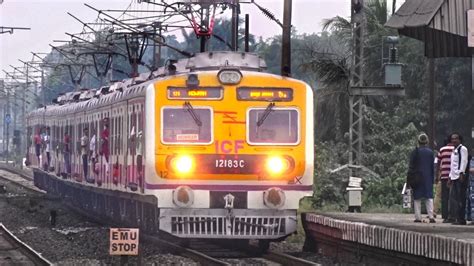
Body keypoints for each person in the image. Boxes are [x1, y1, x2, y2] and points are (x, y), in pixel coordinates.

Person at [408, 133, 435, 223]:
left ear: (418, 141)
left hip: (417, 177)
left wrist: (409, 179)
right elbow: (432, 166)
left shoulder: (414, 152)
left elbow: (411, 166)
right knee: (429, 197)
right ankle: (431, 216)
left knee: (417, 198)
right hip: (428, 177)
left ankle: (418, 217)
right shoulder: (430, 152)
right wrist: (433, 177)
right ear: (427, 141)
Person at [448, 133, 469, 225]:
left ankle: (461, 218)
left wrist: (462, 173)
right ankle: (457, 217)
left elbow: (464, 161)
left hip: (460, 176)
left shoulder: (462, 149)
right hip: (454, 177)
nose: (454, 140)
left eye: (456, 138)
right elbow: (453, 165)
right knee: (454, 199)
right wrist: (450, 176)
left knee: (460, 198)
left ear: (460, 140)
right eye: (452, 139)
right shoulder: (454, 150)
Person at [436, 136, 454, 222]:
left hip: (444, 175)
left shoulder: (442, 149)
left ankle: (445, 215)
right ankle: (452, 215)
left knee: (444, 196)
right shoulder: (455, 149)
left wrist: (437, 175)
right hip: (453, 176)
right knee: (453, 196)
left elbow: (438, 162)